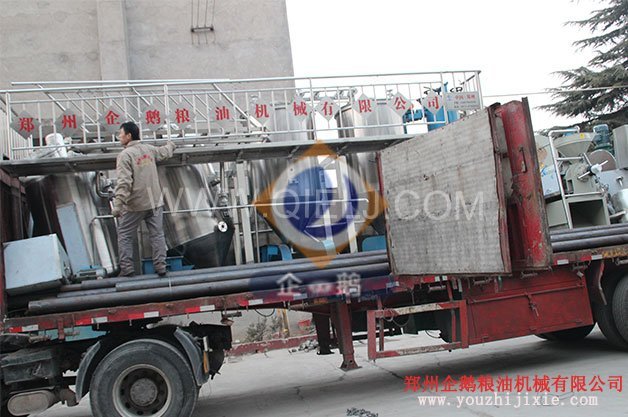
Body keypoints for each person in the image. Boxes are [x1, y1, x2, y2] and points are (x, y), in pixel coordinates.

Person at [112, 121, 176, 277]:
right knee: (157, 235)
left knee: (125, 235)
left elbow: (124, 182)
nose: (119, 137)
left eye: (121, 134)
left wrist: (118, 205)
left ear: (128, 135)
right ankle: (160, 266)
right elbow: (164, 152)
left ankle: (127, 269)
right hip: (154, 201)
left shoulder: (125, 155)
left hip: (136, 204)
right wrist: (171, 145)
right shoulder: (149, 149)